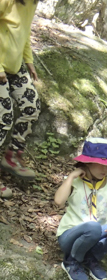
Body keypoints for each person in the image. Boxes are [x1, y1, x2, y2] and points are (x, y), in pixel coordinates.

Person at [55, 138, 107, 280]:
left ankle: (90, 258)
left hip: (94, 236)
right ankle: (71, 261)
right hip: (69, 237)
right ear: (87, 163)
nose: (105, 169)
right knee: (93, 227)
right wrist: (72, 176)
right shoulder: (75, 182)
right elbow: (58, 201)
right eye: (101, 164)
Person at [0, 0, 41, 198]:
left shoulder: (31, 3)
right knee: (4, 117)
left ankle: (12, 157)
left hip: (14, 67)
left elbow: (23, 34)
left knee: (31, 107)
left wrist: (29, 61)